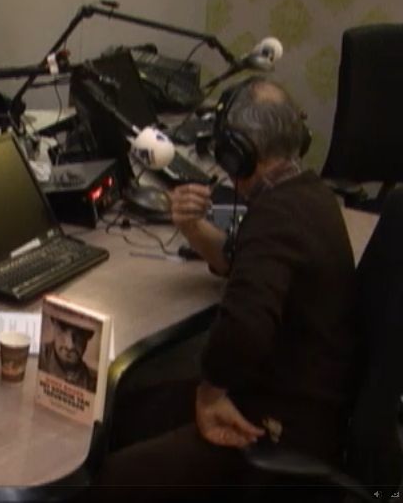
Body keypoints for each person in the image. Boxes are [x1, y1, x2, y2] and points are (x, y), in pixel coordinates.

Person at [93, 77, 357, 501]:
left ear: (237, 154)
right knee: (123, 410)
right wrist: (193, 228)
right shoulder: (305, 194)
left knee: (114, 479)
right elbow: (237, 261)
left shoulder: (276, 217)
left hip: (279, 425)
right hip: (295, 395)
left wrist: (209, 394)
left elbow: (244, 329)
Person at [39, 317, 96, 392]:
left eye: (80, 333)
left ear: (89, 335)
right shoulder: (36, 359)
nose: (70, 346)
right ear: (53, 324)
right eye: (63, 329)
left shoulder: (94, 383)